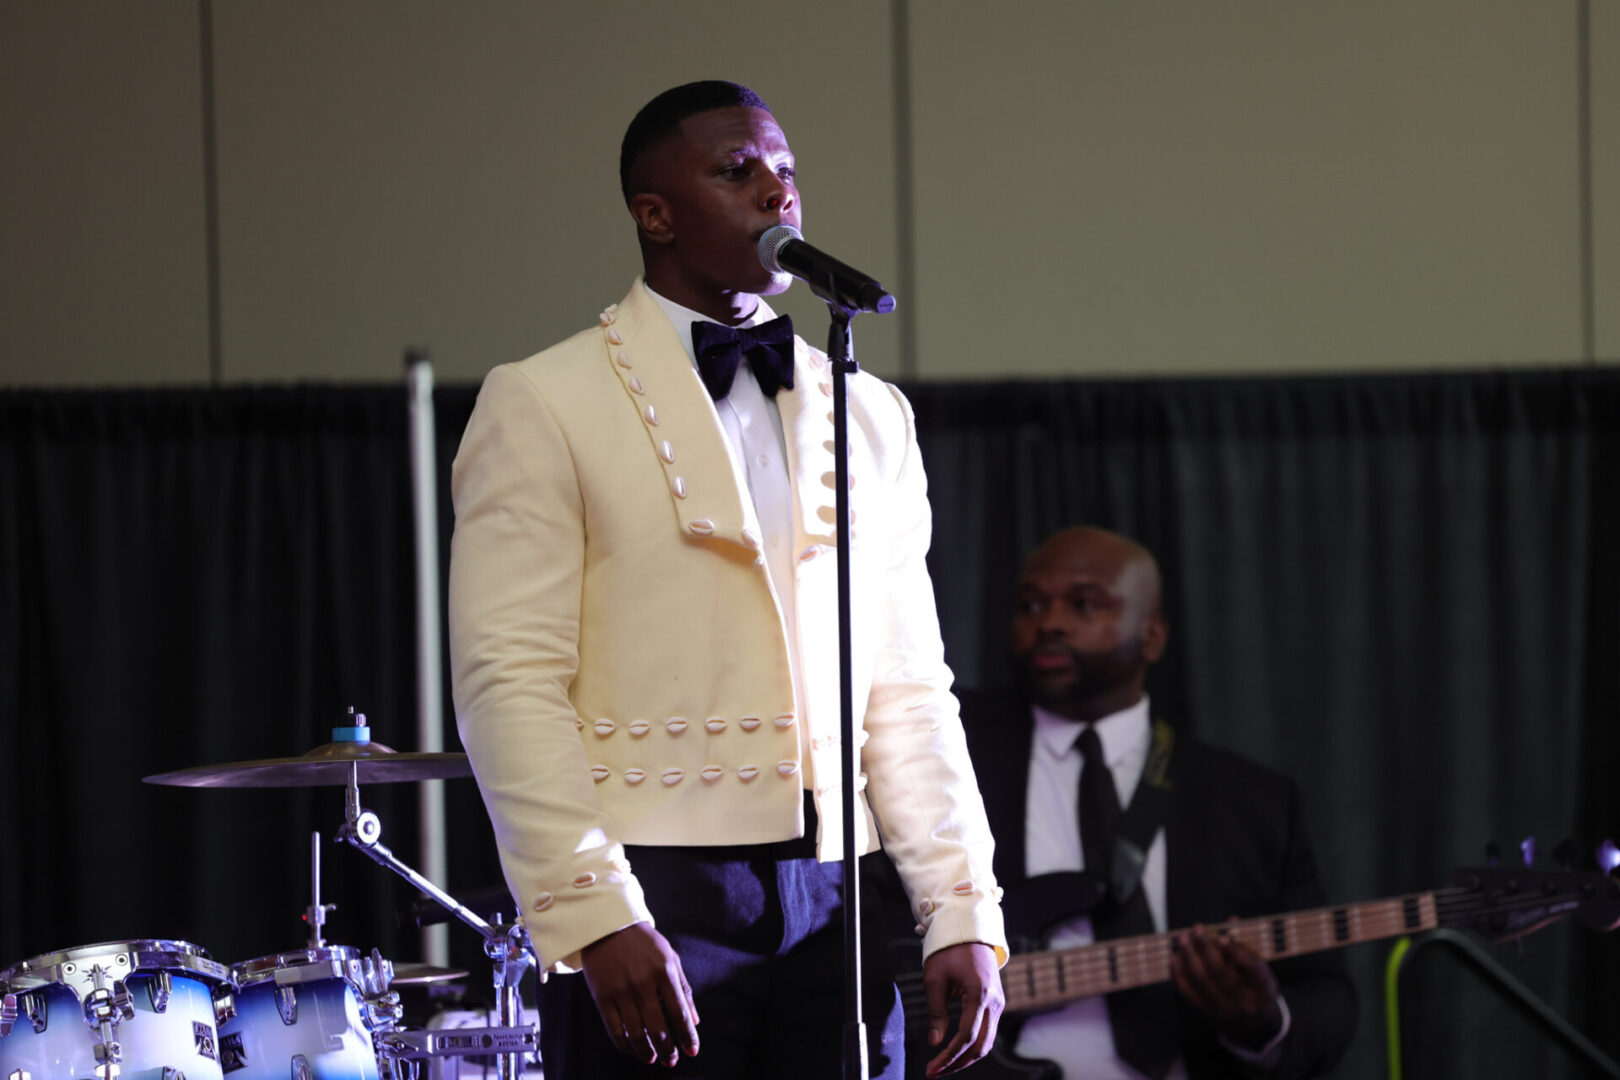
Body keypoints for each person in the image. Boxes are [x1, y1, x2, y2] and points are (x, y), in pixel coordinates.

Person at [447, 80, 1006, 1080]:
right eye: (736, 170)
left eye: (786, 170)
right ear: (654, 214)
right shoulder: (542, 401)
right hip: (656, 891)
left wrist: (959, 906)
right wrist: (594, 911)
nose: (776, 192)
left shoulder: (869, 411)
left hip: (837, 894)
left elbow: (908, 684)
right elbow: (510, 682)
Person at [956, 525, 1356, 1080]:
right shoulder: (949, 755)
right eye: (1031, 605)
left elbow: (1328, 996)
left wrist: (1261, 1021)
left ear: (1152, 637)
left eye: (1085, 604)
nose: (1050, 623)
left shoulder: (1253, 801)